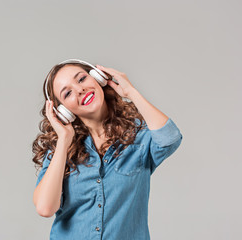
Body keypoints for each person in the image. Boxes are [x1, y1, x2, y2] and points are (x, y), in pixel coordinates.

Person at [32, 59, 183, 239]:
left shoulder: (138, 135)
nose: (80, 90)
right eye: (68, 93)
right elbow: (45, 208)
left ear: (98, 78)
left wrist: (131, 92)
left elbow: (170, 137)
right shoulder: (61, 150)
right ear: (63, 111)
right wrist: (64, 140)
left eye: (81, 79)